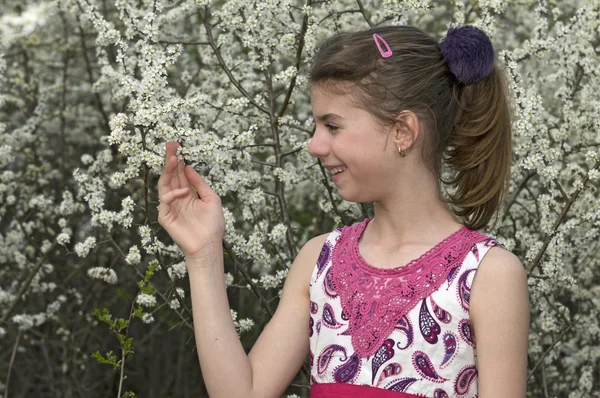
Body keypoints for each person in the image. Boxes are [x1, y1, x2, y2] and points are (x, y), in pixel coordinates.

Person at [157, 25, 530, 398]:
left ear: (402, 131)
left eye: (332, 126)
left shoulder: (487, 276)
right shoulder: (320, 261)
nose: (314, 145)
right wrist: (203, 254)